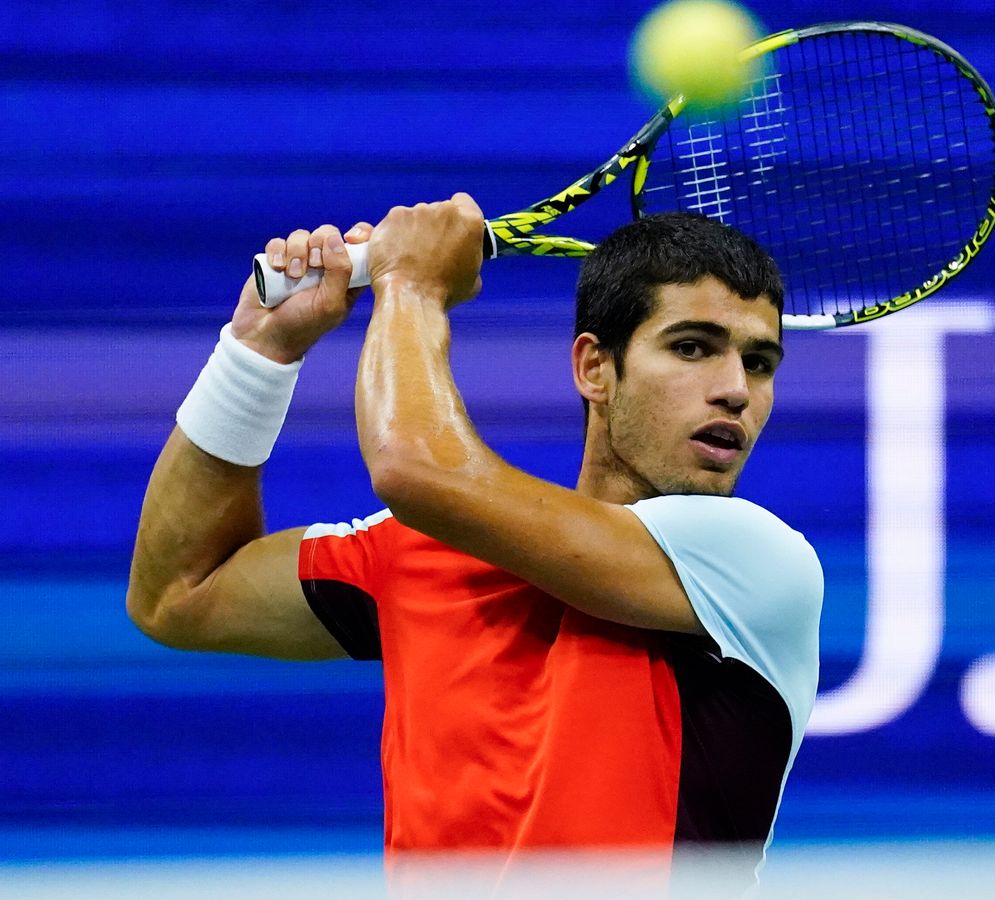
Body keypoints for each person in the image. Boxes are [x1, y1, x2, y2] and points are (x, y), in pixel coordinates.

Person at [125, 196, 824, 878]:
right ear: (594, 368)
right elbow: (179, 594)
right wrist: (257, 353)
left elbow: (412, 467)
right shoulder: (415, 551)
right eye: (693, 347)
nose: (735, 388)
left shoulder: (756, 562)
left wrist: (412, 285)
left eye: (760, 363)